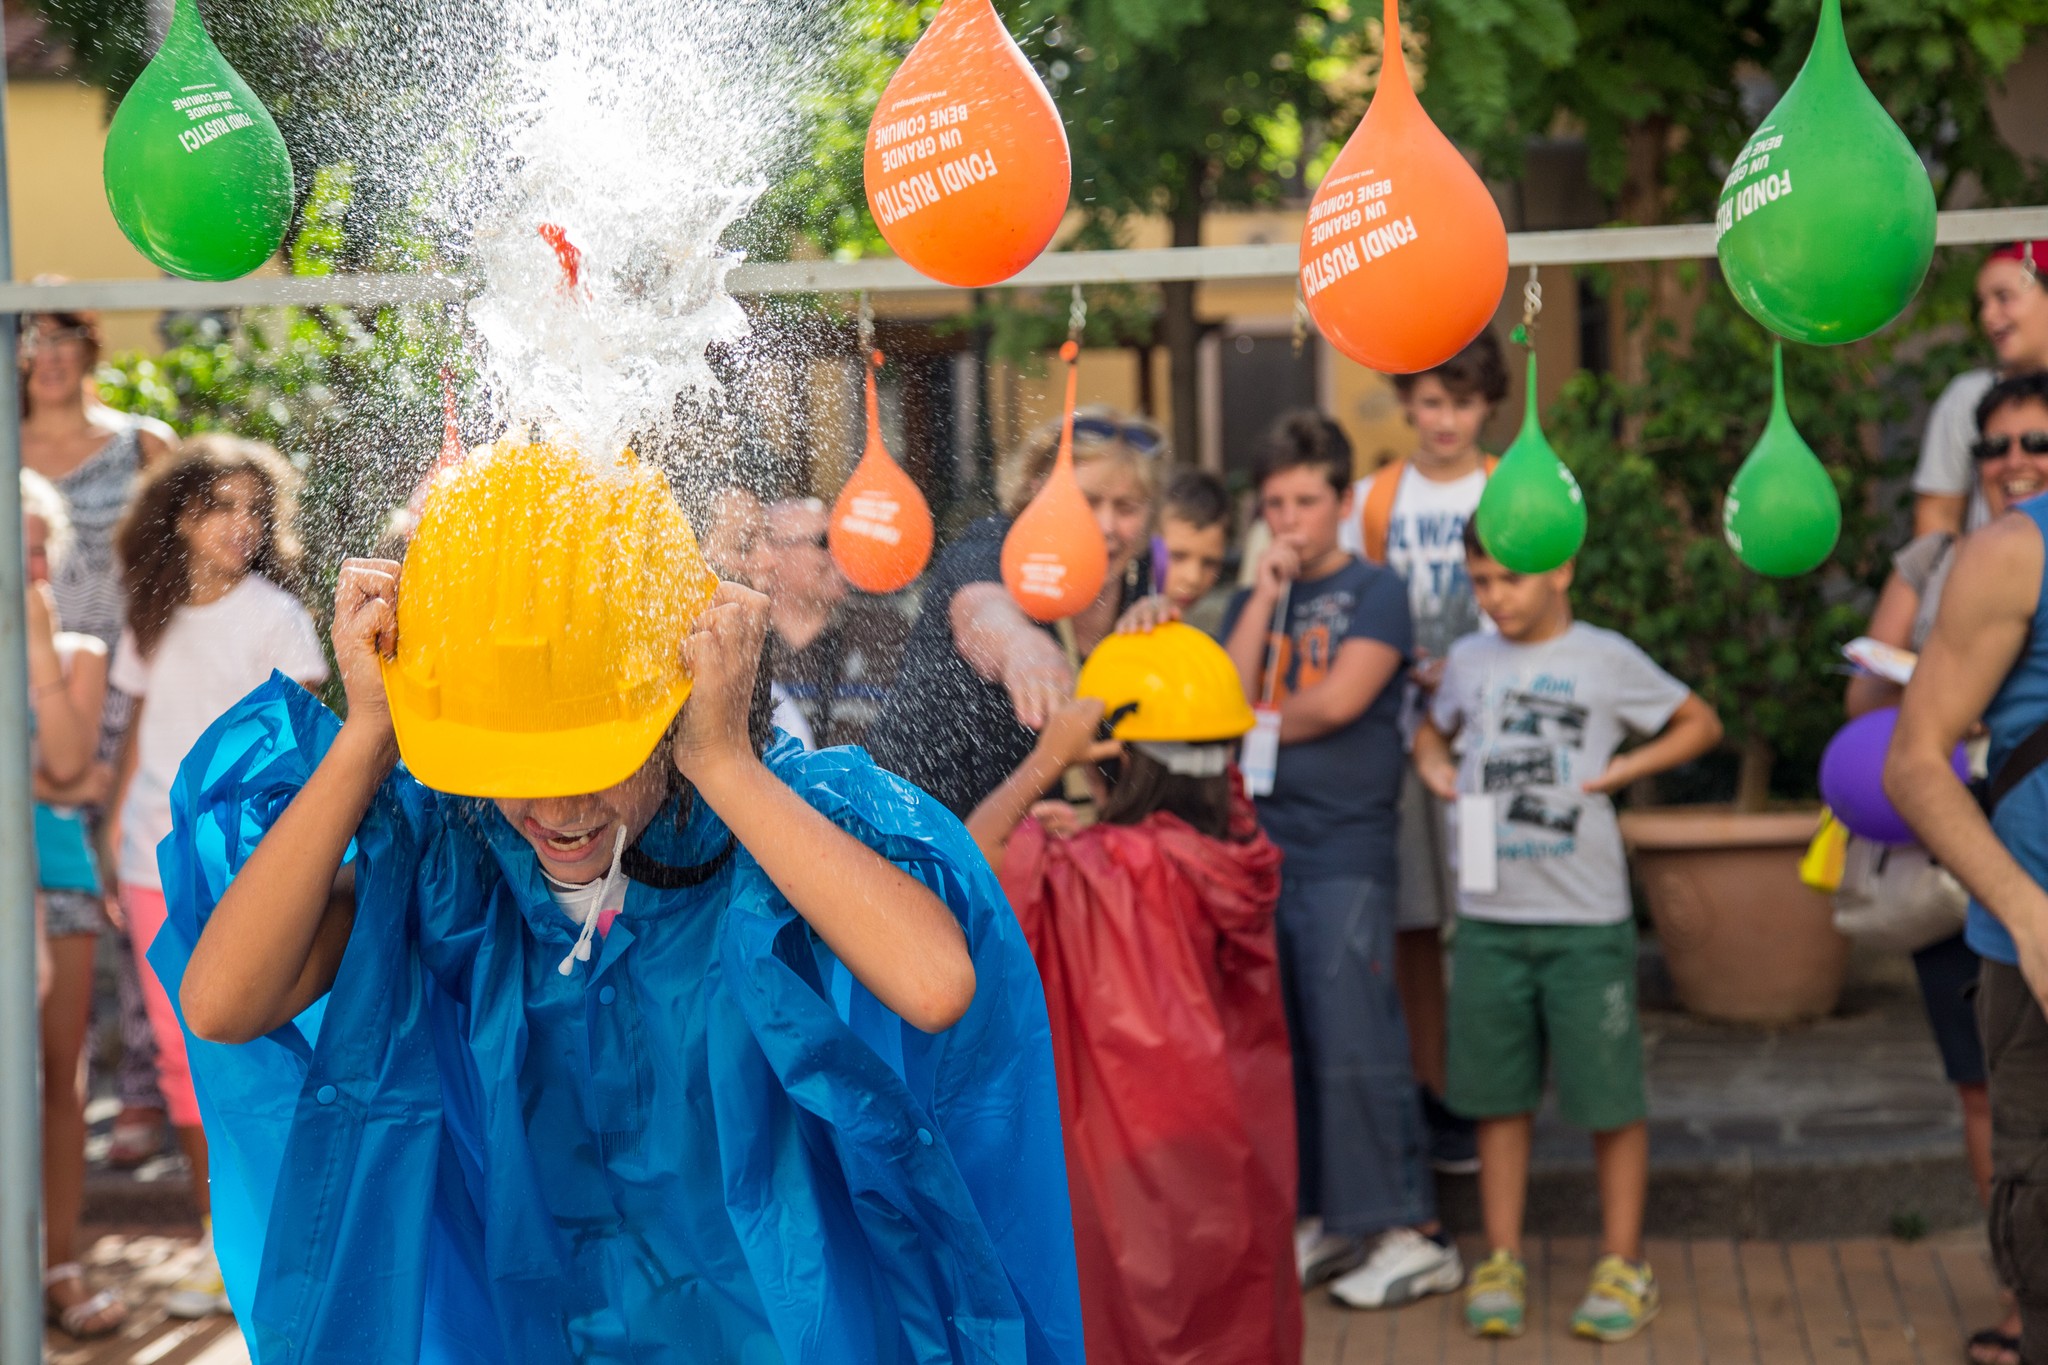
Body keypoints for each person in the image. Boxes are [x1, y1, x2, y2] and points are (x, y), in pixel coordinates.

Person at [151, 441, 1082, 1363]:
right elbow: (223, 1002)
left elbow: (936, 983)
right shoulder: (451, 852)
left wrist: (722, 762)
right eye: (516, 770)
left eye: (595, 765)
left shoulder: (765, 831)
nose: (555, 811)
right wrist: (367, 735)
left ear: (680, 704)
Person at [1414, 518, 1721, 1343]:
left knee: (1609, 1095)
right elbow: (1432, 729)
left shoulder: (1606, 656)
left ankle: (1625, 1261)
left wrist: (1627, 769)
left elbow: (1700, 721)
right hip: (1488, 919)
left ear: (1563, 567)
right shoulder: (1471, 660)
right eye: (1480, 581)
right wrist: (1434, 765)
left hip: (1585, 920)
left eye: (1509, 578)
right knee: (1495, 1097)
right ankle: (1502, 1256)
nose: (1495, 598)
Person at [967, 625, 1298, 1365]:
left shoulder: (1094, 872)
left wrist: (1046, 762)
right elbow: (1198, 763)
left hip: (1120, 1174)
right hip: (1230, 1164)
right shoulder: (1242, 851)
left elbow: (969, 865)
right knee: (1231, 1326)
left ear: (1115, 755)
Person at [1219, 411, 1453, 1309]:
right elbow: (1225, 695)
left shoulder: (1378, 589)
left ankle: (1410, 1228)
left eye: (1306, 501)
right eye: (1274, 503)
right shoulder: (1257, 594)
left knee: (1356, 1031)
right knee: (1296, 1037)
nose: (1289, 519)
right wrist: (1263, 593)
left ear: (1342, 500)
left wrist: (1253, 719)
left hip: (1349, 846)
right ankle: (1334, 1215)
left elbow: (1342, 697)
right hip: (1267, 849)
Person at [107, 435, 330, 1319]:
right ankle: (215, 1240)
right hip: (141, 858)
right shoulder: (148, 613)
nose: (241, 525)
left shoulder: (279, 616)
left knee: (244, 1048)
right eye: (220, 507)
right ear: (180, 516)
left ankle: (264, 1234)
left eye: (253, 508)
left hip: (242, 873)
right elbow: (133, 736)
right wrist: (104, 836)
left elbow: (306, 749)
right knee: (175, 1058)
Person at [1848, 394, 2045, 1363]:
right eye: (1997, 444)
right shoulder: (2006, 552)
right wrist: (2027, 915)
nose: (2014, 457)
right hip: (2034, 950)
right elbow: (1909, 758)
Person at [1345, 332, 1510, 1177]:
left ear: (1489, 406)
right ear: (1408, 403)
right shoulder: (1375, 499)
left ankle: (1490, 1092)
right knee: (1413, 918)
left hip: (1491, 737)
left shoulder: (1511, 492)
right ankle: (1430, 1087)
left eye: (1465, 401)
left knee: (1484, 917)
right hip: (1398, 736)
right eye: (1433, 401)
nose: (1447, 419)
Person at [20, 305, 177, 1168]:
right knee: (55, 893)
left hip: (130, 686)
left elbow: (177, 569)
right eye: (27, 338)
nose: (43, 355)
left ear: (89, 346)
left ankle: (148, 1092)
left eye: (59, 336)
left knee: (135, 882)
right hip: (31, 694)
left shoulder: (140, 442)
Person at [866, 406, 1160, 817]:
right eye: (1089, 501)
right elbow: (983, 613)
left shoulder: (1137, 579)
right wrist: (1025, 652)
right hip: (922, 825)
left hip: (1048, 840)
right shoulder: (995, 545)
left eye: (1127, 508)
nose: (1107, 526)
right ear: (1039, 491)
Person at [22, 471, 126, 1338]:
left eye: (34, 547)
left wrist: (34, 640)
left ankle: (59, 1260)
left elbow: (65, 762)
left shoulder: (77, 652)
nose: (24, 563)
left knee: (62, 1082)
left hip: (58, 884)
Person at [747, 497, 909, 749]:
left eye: (844, 540)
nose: (841, 553)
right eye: (825, 541)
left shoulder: (885, 631)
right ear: (772, 553)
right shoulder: (744, 639)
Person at [1912, 242, 2048, 538]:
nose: (1988, 316)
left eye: (2003, 297)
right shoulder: (1967, 396)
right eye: (1995, 446)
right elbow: (1938, 514)